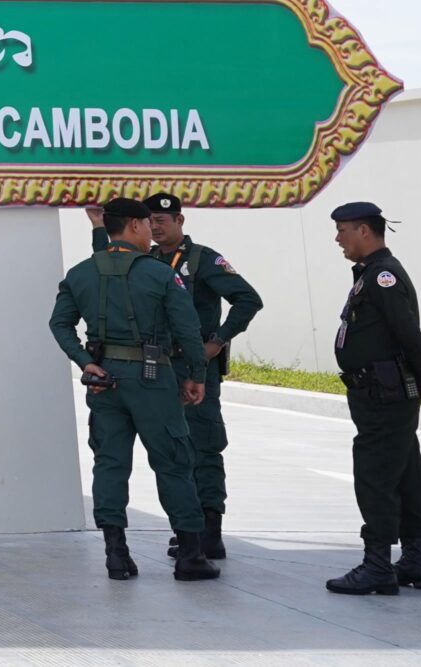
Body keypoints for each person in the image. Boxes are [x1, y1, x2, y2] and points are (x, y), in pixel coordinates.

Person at [48, 196, 218, 582]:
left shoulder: (80, 273)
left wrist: (84, 361)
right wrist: (196, 375)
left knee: (110, 463)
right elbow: (188, 329)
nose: (150, 233)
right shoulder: (159, 273)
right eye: (147, 226)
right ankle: (190, 555)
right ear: (136, 225)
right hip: (152, 377)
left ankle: (116, 554)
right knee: (173, 461)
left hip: (103, 380)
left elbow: (59, 324)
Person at [326, 200, 421, 596]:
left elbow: (407, 331)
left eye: (342, 231)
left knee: (375, 475)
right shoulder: (372, 273)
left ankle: (378, 564)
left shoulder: (382, 277)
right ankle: (415, 559)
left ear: (363, 230)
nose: (338, 239)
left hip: (384, 394)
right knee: (405, 473)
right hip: (381, 392)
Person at [145, 192, 262, 560]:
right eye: (150, 221)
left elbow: (248, 299)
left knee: (204, 445)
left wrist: (218, 341)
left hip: (195, 367)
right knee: (172, 447)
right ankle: (188, 528)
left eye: (162, 220)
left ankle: (211, 532)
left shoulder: (202, 259)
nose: (156, 227)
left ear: (180, 221)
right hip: (160, 366)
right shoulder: (147, 260)